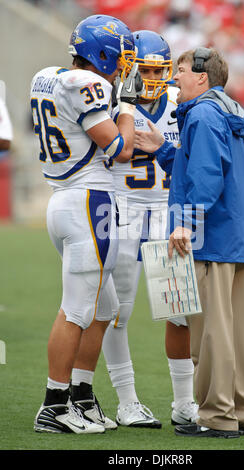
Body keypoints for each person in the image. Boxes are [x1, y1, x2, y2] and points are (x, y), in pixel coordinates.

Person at [137, 47, 244, 438]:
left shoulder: (203, 113)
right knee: (239, 331)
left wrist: (185, 224)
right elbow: (199, 168)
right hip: (235, 236)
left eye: (180, 72)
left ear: (201, 77)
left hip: (210, 238)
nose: (174, 80)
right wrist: (162, 148)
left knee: (212, 331)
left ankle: (218, 415)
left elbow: (206, 176)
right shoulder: (225, 109)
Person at [72, 30, 199, 428]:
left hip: (171, 214)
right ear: (126, 67)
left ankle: (184, 403)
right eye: (142, 69)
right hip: (121, 212)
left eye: (158, 70)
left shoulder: (184, 103)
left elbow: (199, 162)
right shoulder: (108, 102)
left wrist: (164, 147)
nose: (151, 77)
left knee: (179, 313)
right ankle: (127, 402)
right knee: (118, 313)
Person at [30, 14, 143, 434]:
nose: (125, 65)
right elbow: (120, 149)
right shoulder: (88, 85)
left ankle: (80, 396)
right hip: (87, 203)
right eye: (121, 56)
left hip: (65, 201)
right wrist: (127, 106)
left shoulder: (48, 76)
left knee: (106, 308)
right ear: (102, 54)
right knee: (77, 308)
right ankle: (54, 405)